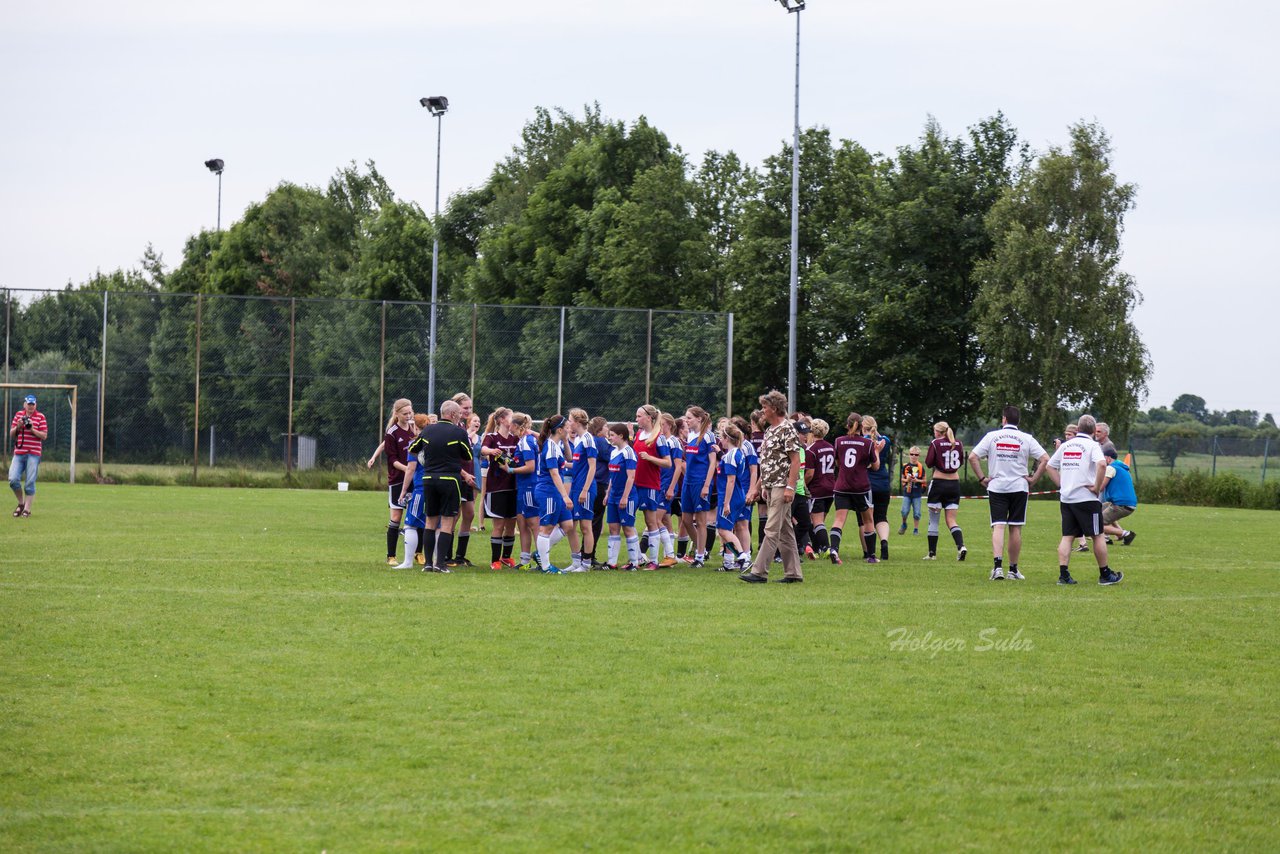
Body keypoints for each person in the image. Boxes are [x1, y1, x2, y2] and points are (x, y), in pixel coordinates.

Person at [968, 405, 1049, 581]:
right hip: (1019, 486)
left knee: (998, 525)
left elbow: (972, 457)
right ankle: (1013, 569)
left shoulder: (992, 436)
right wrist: (1034, 478)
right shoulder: (1026, 438)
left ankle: (997, 567)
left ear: (1004, 419)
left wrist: (982, 478)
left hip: (997, 486)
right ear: (1018, 421)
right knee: (1015, 527)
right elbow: (1045, 459)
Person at [1046, 414, 1123, 586]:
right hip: (1086, 499)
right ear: (1093, 431)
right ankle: (1105, 574)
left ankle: (1063, 575)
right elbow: (1102, 464)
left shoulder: (1066, 445)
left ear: (1078, 429)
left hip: (1067, 498)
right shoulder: (1092, 445)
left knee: (1067, 536)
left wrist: (1061, 484)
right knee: (1097, 535)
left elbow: (1049, 466)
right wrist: (1096, 487)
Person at [741, 390, 804, 584]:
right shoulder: (769, 431)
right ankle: (793, 573)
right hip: (770, 486)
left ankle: (759, 572)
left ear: (774, 409)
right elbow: (767, 463)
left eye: (765, 407)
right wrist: (757, 487)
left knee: (771, 529)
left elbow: (795, 461)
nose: (762, 411)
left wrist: (790, 488)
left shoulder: (787, 429)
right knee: (785, 531)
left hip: (781, 486)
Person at [412, 400, 476, 573]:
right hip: (450, 480)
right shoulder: (458, 432)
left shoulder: (427, 430)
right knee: (447, 522)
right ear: (454, 415)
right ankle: (439, 564)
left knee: (430, 521)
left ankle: (427, 564)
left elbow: (413, 448)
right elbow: (468, 456)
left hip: (429, 478)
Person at [534, 414, 581, 574]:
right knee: (546, 528)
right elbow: (554, 473)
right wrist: (565, 496)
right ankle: (546, 567)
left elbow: (568, 459)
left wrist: (566, 441)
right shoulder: (551, 447)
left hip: (555, 491)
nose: (570, 429)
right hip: (548, 491)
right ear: (560, 429)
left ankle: (540, 554)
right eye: (567, 427)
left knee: (567, 525)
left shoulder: (558, 444)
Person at [830, 413, 879, 565]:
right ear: (861, 426)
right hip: (860, 487)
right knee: (868, 520)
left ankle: (834, 550)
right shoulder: (868, 443)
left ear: (848, 425)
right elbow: (876, 466)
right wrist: (876, 451)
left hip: (842, 486)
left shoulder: (838, 441)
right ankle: (871, 556)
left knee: (839, 520)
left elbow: (838, 463)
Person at [480, 407, 521, 570]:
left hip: (513, 486)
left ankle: (506, 557)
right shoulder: (492, 437)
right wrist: (491, 451)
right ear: (502, 420)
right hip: (497, 486)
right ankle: (495, 560)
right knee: (499, 525)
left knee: (511, 524)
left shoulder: (515, 438)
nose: (514, 421)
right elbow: (483, 449)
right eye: (511, 418)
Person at [633, 404, 673, 571]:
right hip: (634, 484)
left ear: (649, 418)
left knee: (651, 522)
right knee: (628, 521)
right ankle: (635, 559)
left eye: (639, 416)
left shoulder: (659, 437)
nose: (637, 419)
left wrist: (650, 458)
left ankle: (654, 561)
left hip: (649, 484)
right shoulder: (638, 434)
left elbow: (668, 463)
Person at [376, 398, 415, 565]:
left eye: (410, 413)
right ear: (397, 414)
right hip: (398, 480)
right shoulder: (392, 433)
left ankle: (417, 553)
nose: (408, 416)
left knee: (415, 516)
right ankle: (391, 556)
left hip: (415, 479)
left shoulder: (414, 430)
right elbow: (392, 459)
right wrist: (407, 469)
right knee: (396, 517)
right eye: (405, 414)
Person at [681, 406, 718, 568]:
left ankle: (700, 556)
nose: (686, 420)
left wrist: (706, 485)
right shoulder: (690, 435)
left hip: (700, 482)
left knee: (701, 521)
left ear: (699, 419)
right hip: (688, 482)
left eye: (689, 418)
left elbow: (712, 463)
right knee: (686, 520)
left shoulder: (708, 436)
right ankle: (700, 549)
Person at [924, 421, 967, 561]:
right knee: (951, 520)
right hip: (954, 484)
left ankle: (932, 554)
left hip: (939, 484)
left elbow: (929, 463)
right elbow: (960, 462)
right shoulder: (958, 443)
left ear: (938, 432)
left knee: (934, 521)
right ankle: (961, 546)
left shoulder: (935, 443)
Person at [442, 393, 477, 568]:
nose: (468, 411)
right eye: (465, 408)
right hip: (458, 476)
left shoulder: (463, 427)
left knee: (469, 514)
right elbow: (451, 457)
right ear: (455, 409)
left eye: (470, 408)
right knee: (453, 516)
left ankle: (460, 555)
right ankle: (446, 555)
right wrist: (463, 473)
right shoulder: (452, 429)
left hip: (468, 476)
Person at [713, 423, 752, 571]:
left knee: (723, 530)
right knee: (726, 528)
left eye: (722, 437)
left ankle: (743, 557)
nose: (720, 441)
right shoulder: (738, 453)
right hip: (738, 494)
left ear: (727, 439)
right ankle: (730, 562)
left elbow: (730, 480)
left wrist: (726, 503)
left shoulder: (730, 456)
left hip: (730, 497)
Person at [603, 422, 642, 570]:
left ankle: (634, 562)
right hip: (613, 496)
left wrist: (625, 497)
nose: (610, 438)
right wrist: (608, 494)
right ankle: (611, 562)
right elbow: (612, 477)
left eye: (612, 435)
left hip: (627, 496)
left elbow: (631, 477)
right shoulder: (614, 452)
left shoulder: (629, 452)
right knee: (613, 527)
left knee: (628, 527)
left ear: (621, 436)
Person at [392, 415, 428, 569]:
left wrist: (403, 491)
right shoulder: (437, 444)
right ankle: (436, 561)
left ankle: (407, 562)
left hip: (421, 488)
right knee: (436, 526)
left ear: (417, 427)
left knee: (410, 525)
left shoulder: (415, 444)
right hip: (437, 487)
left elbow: (411, 469)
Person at [566, 408, 598, 573]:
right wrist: (564, 464)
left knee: (585, 527)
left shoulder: (588, 439)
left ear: (577, 422)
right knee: (570, 526)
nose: (568, 422)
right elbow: (578, 465)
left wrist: (585, 490)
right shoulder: (577, 440)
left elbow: (592, 467)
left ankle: (586, 564)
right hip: (575, 487)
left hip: (585, 488)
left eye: (570, 419)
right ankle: (576, 561)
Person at [509, 412, 540, 570]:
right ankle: (525, 560)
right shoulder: (523, 440)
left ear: (515, 425)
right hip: (522, 487)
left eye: (510, 425)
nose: (509, 428)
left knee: (534, 523)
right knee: (522, 523)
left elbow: (531, 467)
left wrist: (511, 470)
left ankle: (542, 559)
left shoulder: (526, 441)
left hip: (529, 486)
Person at [9, 394, 48, 518]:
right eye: (29, 404)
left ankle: (27, 509)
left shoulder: (41, 417)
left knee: (29, 482)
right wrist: (18, 427)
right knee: (13, 479)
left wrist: (32, 429)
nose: (31, 406)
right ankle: (21, 503)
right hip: (19, 453)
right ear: (24, 404)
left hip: (33, 454)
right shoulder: (18, 415)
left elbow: (44, 436)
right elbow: (11, 434)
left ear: (36, 405)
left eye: (33, 404)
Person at [862, 415, 893, 561]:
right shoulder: (886, 441)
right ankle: (884, 542)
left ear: (863, 427)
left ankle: (869, 551)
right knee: (881, 517)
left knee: (866, 520)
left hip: (867, 483)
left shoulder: (863, 442)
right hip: (883, 483)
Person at [804, 419, 836, 560]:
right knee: (820, 521)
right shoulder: (830, 447)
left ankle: (827, 548)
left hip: (817, 488)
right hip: (830, 487)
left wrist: (802, 484)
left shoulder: (811, 450)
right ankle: (817, 549)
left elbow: (810, 473)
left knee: (817, 521)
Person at [588, 416, 613, 568]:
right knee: (596, 521)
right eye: (605, 427)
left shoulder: (590, 440)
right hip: (600, 484)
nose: (607, 429)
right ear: (599, 430)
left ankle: (586, 553)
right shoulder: (601, 442)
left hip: (592, 483)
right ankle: (589, 555)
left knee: (590, 520)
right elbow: (614, 455)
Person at [1100, 447, 1138, 546]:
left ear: (1108, 458)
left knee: (1097, 524)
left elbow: (1100, 487)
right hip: (1127, 504)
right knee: (1097, 509)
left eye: (1102, 458)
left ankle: (1126, 534)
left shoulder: (1111, 468)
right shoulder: (1122, 468)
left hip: (1121, 505)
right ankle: (1113, 536)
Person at [898, 446, 926, 535]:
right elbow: (902, 479)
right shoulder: (905, 467)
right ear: (909, 455)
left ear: (919, 456)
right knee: (904, 511)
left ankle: (915, 530)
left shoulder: (921, 467)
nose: (914, 456)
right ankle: (904, 524)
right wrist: (907, 480)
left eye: (916, 454)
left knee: (917, 513)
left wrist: (917, 480)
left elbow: (925, 480)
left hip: (917, 494)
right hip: (907, 493)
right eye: (912, 454)